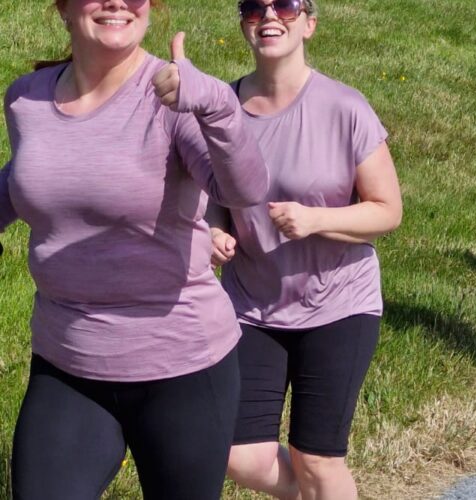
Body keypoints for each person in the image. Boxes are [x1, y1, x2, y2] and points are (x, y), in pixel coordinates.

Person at [0, 0, 269, 498]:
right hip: (67, 364)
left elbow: (245, 192)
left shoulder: (175, 97)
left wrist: (216, 106)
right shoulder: (25, 99)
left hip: (182, 367)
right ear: (61, 7)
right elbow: (30, 181)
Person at [206, 1, 402, 498]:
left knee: (318, 459)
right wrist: (212, 230)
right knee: (238, 454)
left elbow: (387, 211)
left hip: (339, 304)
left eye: (287, 6)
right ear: (243, 25)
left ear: (309, 24)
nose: (269, 15)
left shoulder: (344, 107)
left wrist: (316, 220)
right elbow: (212, 198)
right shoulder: (222, 109)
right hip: (251, 305)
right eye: (254, 7)